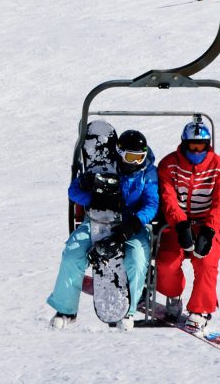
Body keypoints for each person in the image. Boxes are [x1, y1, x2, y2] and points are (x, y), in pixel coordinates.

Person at [47, 125, 158, 331]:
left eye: (139, 157)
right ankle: (66, 309)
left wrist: (133, 223)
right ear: (120, 153)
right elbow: (73, 192)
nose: (135, 163)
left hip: (130, 225)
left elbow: (151, 204)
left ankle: (129, 311)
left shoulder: (147, 173)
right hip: (98, 221)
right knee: (72, 253)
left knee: (137, 258)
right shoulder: (103, 166)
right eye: (131, 157)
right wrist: (94, 196)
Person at [155, 120, 220, 332]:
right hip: (176, 224)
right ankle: (173, 294)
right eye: (192, 146)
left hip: (206, 223)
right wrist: (180, 225)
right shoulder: (169, 165)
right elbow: (168, 197)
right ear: (183, 144)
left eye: (202, 147)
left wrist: (209, 229)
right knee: (166, 262)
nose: (197, 151)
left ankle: (200, 308)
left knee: (207, 262)